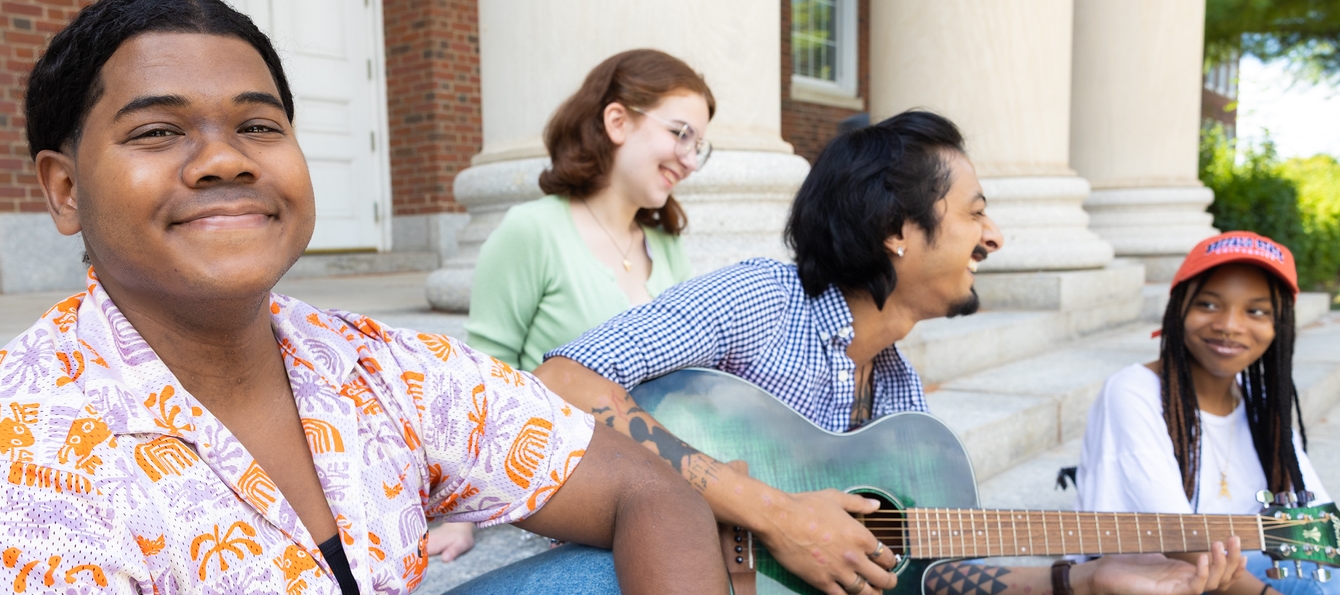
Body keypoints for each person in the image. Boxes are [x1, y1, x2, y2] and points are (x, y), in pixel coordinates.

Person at [0, 0, 728, 595]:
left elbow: (646, 489)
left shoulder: (375, 365)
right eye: (157, 131)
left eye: (258, 125)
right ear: (65, 190)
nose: (228, 159)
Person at [533, 112, 1248, 595]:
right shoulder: (763, 301)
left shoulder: (901, 403)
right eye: (975, 212)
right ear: (897, 231)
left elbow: (927, 575)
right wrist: (774, 513)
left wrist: (1080, 581)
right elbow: (562, 379)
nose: (994, 238)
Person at [427, 49, 707, 562]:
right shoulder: (532, 231)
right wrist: (460, 517)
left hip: (660, 481)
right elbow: (481, 381)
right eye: (681, 133)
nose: (690, 159)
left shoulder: (667, 245)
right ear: (617, 121)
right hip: (569, 486)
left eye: (699, 146)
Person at [1077, 231, 1335, 595]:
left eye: (1256, 311)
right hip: (1152, 580)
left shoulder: (1261, 406)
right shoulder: (1133, 392)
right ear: (1178, 308)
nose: (1229, 325)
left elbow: (1319, 525)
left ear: (1280, 326)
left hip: (1244, 573)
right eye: (1208, 304)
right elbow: (1175, 538)